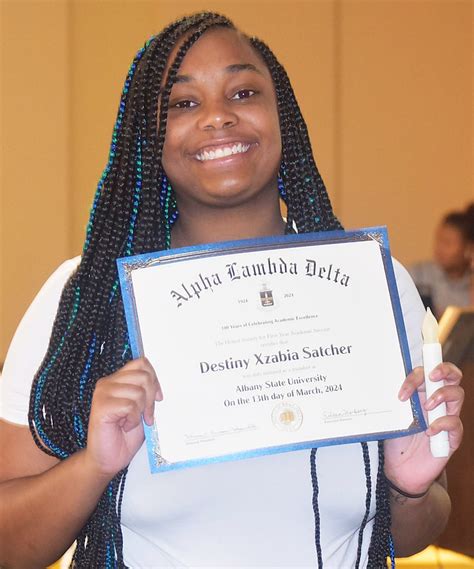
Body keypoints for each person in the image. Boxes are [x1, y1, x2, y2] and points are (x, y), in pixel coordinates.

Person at [0, 12, 464, 569]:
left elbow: (414, 530)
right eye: (183, 103)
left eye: (243, 92)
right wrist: (93, 465)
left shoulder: (374, 289)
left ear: (281, 116)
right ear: (150, 137)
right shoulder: (82, 300)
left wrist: (408, 488)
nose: (218, 117)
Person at [409, 203, 474, 319]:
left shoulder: (470, 283)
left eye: (447, 243)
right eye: (438, 240)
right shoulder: (419, 274)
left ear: (468, 248)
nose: (439, 249)